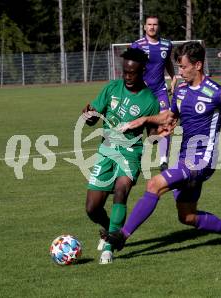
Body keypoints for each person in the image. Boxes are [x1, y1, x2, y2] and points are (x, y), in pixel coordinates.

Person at [102, 42, 221, 258]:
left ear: (198, 65)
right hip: (185, 157)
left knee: (154, 184)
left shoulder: (216, 93)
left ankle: (121, 236)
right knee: (187, 216)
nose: (179, 72)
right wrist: (149, 121)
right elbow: (170, 117)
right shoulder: (181, 91)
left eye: (183, 67)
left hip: (202, 160)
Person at [81, 48, 161, 264]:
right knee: (92, 208)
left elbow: (152, 137)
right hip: (106, 151)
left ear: (142, 71)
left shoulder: (150, 100)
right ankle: (110, 229)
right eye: (124, 71)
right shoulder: (112, 88)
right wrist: (88, 116)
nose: (127, 76)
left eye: (132, 72)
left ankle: (109, 248)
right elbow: (93, 116)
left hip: (131, 154)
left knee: (121, 190)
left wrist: (159, 133)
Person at [131, 15, 178, 171]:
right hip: (141, 93)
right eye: (149, 24)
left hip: (160, 91)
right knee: (138, 127)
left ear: (158, 26)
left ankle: (163, 161)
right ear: (145, 27)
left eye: (155, 24)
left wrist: (173, 77)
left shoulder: (166, 44)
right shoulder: (137, 45)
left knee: (166, 122)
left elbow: (168, 63)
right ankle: (133, 158)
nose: (152, 27)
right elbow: (130, 67)